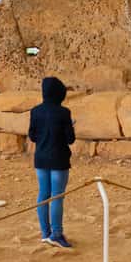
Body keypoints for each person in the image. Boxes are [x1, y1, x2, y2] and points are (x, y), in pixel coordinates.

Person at [28, 76, 75, 248]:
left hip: (40, 158)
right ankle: (56, 234)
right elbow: (70, 139)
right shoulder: (64, 113)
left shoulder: (35, 111)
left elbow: (32, 136)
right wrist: (71, 126)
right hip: (59, 159)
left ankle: (45, 232)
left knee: (43, 194)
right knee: (57, 197)